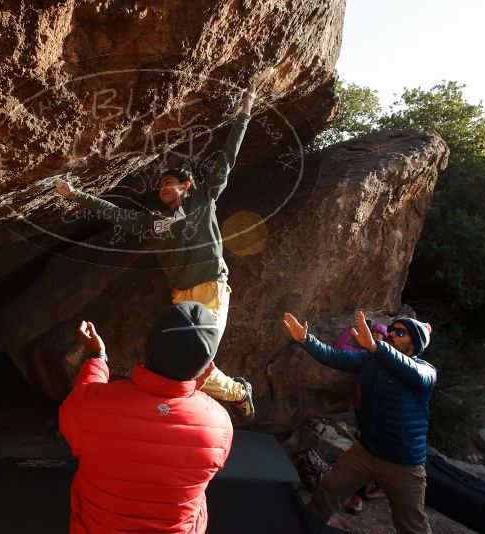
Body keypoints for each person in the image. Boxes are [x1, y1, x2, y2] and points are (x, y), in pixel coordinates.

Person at [55, 82, 262, 421]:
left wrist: (245, 112)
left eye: (171, 182)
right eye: (162, 184)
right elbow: (115, 213)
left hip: (210, 286)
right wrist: (76, 195)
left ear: (187, 186)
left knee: (194, 362)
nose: (165, 187)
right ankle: (236, 393)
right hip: (181, 296)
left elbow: (227, 159)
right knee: (186, 364)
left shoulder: (202, 199)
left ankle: (238, 394)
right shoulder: (153, 223)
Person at [58, 302, 233, 533]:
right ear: (207, 367)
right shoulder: (219, 424)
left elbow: (81, 403)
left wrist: (96, 358)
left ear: (146, 348)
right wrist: (193, 389)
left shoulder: (88, 405)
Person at [283, 310, 436, 534]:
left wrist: (376, 348)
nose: (392, 334)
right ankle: (304, 528)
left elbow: (414, 373)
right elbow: (335, 357)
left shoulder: (425, 371)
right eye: (392, 329)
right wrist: (306, 340)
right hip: (366, 451)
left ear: (414, 345)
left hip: (403, 462)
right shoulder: (370, 361)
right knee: (328, 491)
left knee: (411, 524)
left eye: (400, 332)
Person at [333, 318, 389, 514]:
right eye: (372, 335)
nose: (375, 338)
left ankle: (362, 495)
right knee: (368, 451)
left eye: (379, 336)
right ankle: (364, 492)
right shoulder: (362, 356)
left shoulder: (390, 359)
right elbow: (340, 347)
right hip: (363, 409)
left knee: (375, 451)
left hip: (384, 413)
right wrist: (352, 329)